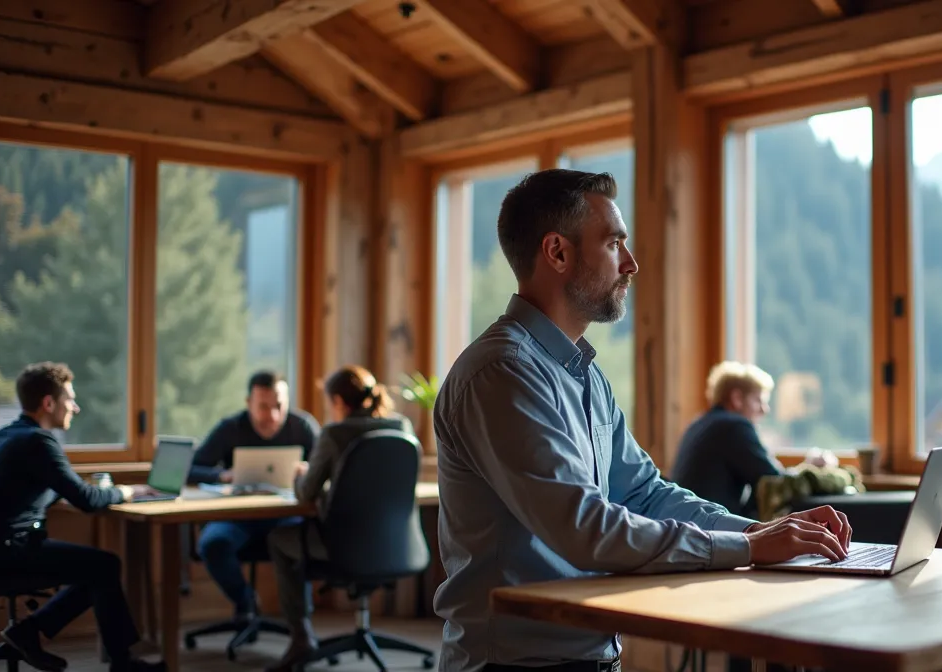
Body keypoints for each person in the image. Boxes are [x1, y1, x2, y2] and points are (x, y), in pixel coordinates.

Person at [433, 168, 853, 672]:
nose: (631, 264)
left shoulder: (584, 376)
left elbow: (646, 494)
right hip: (514, 664)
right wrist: (746, 547)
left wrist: (766, 533)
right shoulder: (501, 374)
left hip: (585, 654)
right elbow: (585, 530)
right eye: (614, 243)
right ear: (558, 253)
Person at [0, 362, 165, 672]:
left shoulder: (9, 434)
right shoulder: (39, 442)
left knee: (97, 568)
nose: (75, 407)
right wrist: (127, 491)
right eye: (70, 399)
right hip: (12, 552)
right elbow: (88, 501)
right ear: (49, 403)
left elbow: (33, 486)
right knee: (104, 566)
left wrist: (69, 489)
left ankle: (30, 632)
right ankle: (121, 664)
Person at [262, 365, 415, 672]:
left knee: (279, 539)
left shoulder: (334, 433)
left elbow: (306, 495)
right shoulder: (402, 427)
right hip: (397, 544)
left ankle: (301, 635)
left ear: (339, 402)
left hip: (342, 545)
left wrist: (299, 474)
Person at [186, 370, 320, 621]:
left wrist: (309, 469)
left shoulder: (302, 426)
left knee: (301, 543)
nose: (272, 415)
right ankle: (245, 601)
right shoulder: (230, 428)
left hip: (285, 516)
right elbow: (190, 470)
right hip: (236, 517)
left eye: (279, 405)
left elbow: (329, 468)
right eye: (263, 407)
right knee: (212, 544)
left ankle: (302, 626)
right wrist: (221, 475)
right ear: (249, 403)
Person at [671, 361, 784, 518]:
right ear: (737, 398)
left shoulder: (700, 423)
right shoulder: (734, 427)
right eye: (758, 400)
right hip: (712, 530)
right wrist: (810, 467)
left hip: (688, 525)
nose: (764, 410)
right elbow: (774, 478)